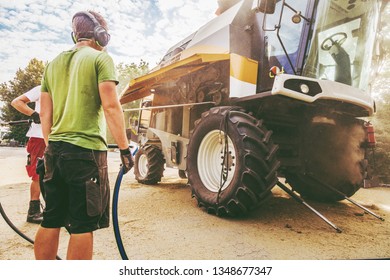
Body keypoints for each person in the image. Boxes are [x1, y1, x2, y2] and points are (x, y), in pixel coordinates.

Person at [34, 10, 133, 260]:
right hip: (85, 153)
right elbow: (111, 106)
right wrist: (124, 149)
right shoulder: (101, 59)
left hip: (54, 151)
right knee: (82, 225)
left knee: (51, 218)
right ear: (101, 35)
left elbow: (46, 114)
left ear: (74, 35)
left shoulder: (53, 63)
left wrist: (51, 148)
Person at [11, 85, 45, 224]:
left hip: (57, 136)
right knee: (38, 175)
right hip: (39, 137)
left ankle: (55, 208)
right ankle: (34, 212)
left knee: (56, 174)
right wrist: (34, 115)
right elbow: (17, 102)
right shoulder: (42, 87)